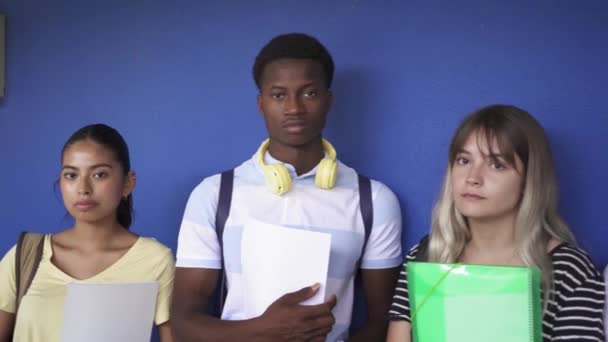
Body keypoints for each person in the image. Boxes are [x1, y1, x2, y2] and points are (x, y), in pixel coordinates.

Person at [171, 32, 402, 341]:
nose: (294, 108)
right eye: (279, 95)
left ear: (328, 101)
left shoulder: (373, 200)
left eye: (309, 93)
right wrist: (264, 331)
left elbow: (383, 323)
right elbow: (185, 324)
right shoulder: (214, 195)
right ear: (261, 104)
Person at [386, 104, 606, 341]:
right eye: (463, 160)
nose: (473, 178)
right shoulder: (426, 254)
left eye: (497, 165)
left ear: (529, 181)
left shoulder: (569, 270)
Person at [0, 124, 175, 342]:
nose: (83, 188)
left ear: (128, 183)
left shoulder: (155, 261)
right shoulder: (25, 255)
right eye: (71, 175)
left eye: (99, 174)